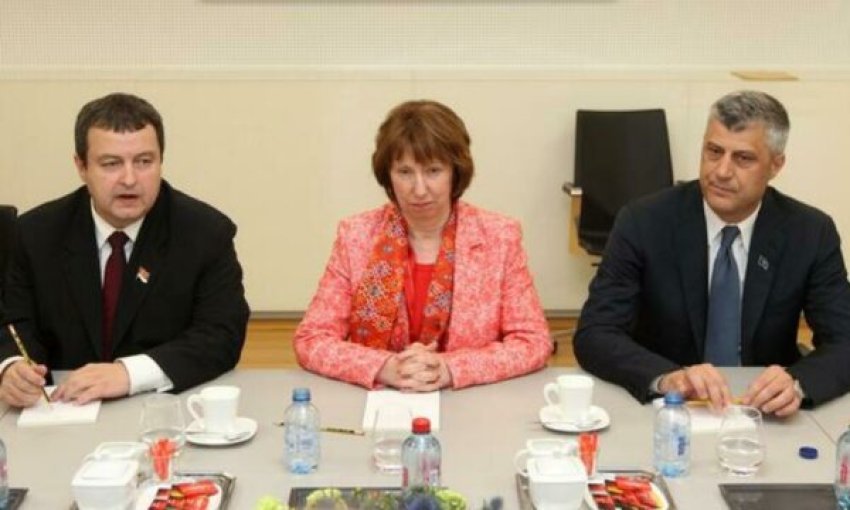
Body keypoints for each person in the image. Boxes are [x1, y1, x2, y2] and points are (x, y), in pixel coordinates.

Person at [574, 90, 850, 417]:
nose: (721, 171)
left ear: (776, 165)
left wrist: (797, 383)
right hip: (668, 411)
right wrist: (668, 378)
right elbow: (595, 333)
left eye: (743, 158)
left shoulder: (809, 232)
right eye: (714, 151)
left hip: (764, 412)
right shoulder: (643, 222)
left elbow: (845, 340)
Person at [0, 93, 250, 407]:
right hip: (60, 409)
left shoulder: (205, 233)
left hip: (164, 409)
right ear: (81, 166)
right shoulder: (35, 234)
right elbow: (12, 323)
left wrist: (129, 374)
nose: (129, 179)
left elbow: (221, 336)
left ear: (161, 161)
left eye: (144, 162)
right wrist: (10, 367)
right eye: (111, 164)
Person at [294, 100, 551, 391]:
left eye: (433, 171)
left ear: (455, 171)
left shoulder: (499, 236)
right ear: (387, 174)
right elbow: (311, 339)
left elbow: (533, 342)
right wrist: (385, 367)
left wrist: (449, 369)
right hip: (380, 401)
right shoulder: (356, 235)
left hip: (470, 400)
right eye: (404, 172)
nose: (418, 189)